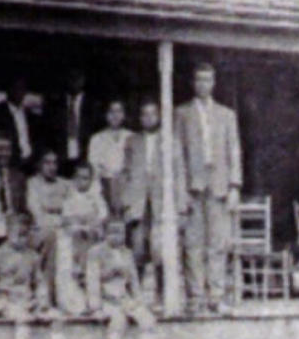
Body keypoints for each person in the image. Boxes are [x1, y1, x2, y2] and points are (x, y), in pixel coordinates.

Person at [174, 62, 242, 313]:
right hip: (193, 185)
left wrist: (235, 185)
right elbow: (178, 155)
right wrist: (181, 191)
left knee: (218, 242)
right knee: (193, 243)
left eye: (208, 80)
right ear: (193, 83)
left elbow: (234, 150)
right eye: (199, 80)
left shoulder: (226, 115)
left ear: (214, 83)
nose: (203, 84)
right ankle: (196, 296)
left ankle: (216, 295)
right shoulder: (181, 113)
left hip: (219, 185)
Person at [86, 218, 165, 339]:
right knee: (118, 322)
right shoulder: (96, 253)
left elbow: (134, 282)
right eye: (112, 232)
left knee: (148, 321)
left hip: (124, 297)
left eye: (120, 232)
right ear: (105, 234)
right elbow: (92, 281)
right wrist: (96, 307)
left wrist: (139, 301)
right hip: (107, 299)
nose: (117, 236)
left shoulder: (127, 253)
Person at [120, 100, 187, 298]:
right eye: (144, 114)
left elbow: (179, 173)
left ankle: (162, 294)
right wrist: (126, 201)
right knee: (138, 246)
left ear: (159, 116)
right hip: (139, 201)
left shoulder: (170, 141)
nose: (148, 118)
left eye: (152, 114)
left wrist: (181, 204)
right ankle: (136, 294)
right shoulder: (132, 141)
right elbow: (125, 173)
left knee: (161, 249)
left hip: (162, 201)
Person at [56, 161, 109, 314]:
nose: (82, 182)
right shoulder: (70, 198)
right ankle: (75, 303)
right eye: (79, 178)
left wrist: (93, 223)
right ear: (73, 179)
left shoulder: (95, 197)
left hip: (91, 238)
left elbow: (102, 214)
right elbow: (66, 218)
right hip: (76, 239)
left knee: (91, 268)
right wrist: (78, 225)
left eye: (86, 178)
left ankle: (93, 301)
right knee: (73, 268)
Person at [51, 66, 101, 175]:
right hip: (61, 162)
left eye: (78, 77)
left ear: (83, 80)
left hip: (85, 160)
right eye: (71, 77)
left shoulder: (93, 105)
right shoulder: (56, 104)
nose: (74, 81)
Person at [87, 99, 133, 215]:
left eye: (119, 111)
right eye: (111, 111)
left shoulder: (131, 136)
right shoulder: (96, 139)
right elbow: (93, 168)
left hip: (126, 186)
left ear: (124, 115)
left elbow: (133, 166)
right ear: (105, 115)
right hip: (104, 185)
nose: (115, 115)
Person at [0, 76, 41, 171]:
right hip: (9, 163)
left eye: (22, 89)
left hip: (30, 163)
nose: (19, 92)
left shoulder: (30, 115)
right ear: (9, 90)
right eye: (16, 88)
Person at [0, 130, 27, 215]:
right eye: (0, 149)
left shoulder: (19, 176)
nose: (5, 153)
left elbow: (24, 207)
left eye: (8, 149)